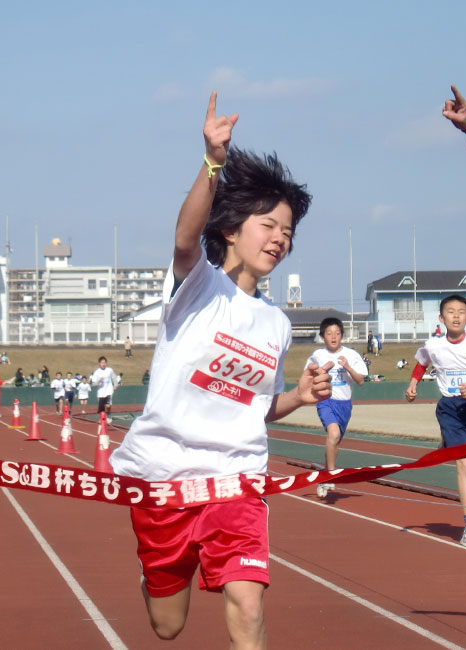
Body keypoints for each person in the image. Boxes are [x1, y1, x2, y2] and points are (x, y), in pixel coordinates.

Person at [109, 92, 332, 648]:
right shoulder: (198, 286)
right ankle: (159, 576)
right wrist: (212, 162)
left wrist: (299, 398)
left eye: (288, 232)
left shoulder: (276, 325)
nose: (280, 238)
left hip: (236, 479)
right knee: (168, 626)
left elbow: (255, 409)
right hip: (164, 476)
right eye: (269, 225)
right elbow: (184, 237)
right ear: (231, 228)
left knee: (248, 597)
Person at [405, 294, 466, 547]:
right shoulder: (434, 345)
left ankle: (448, 444)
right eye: (450, 311)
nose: (456, 316)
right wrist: (413, 384)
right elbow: (421, 362)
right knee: (462, 465)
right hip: (449, 407)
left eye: (461, 312)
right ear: (441, 318)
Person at [307, 318, 367, 498]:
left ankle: (325, 475)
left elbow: (361, 380)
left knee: (335, 442)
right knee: (332, 434)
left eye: (337, 333)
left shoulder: (352, 354)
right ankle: (331, 474)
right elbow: (308, 373)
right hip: (326, 401)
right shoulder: (318, 354)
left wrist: (347, 366)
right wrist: (315, 371)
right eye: (329, 333)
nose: (333, 337)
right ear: (323, 337)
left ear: (342, 335)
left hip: (345, 404)